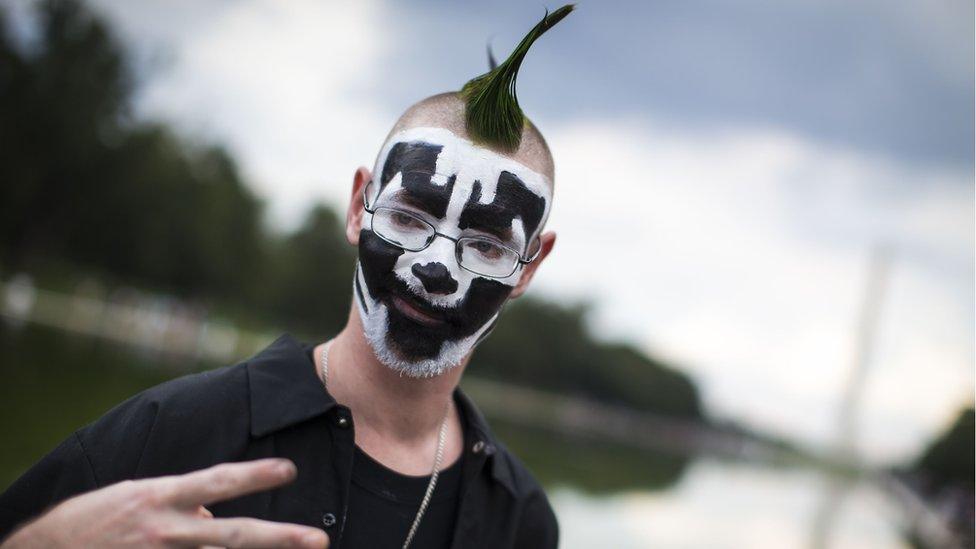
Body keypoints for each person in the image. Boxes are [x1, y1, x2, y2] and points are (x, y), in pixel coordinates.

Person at [0, 6, 573, 548]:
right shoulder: (177, 432)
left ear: (531, 265)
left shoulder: (519, 521)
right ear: (358, 206)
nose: (435, 269)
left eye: (485, 245)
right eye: (408, 217)